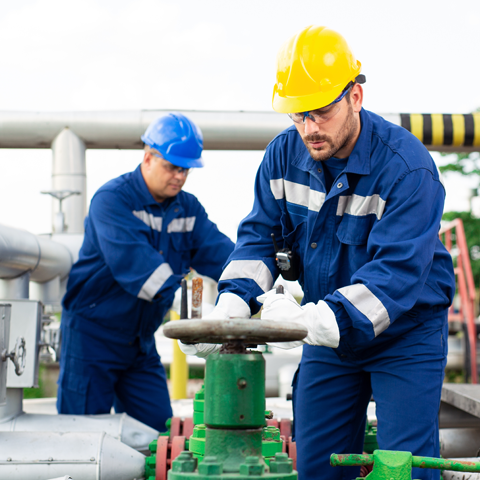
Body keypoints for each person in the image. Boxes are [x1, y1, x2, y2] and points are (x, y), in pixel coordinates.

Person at [182, 26, 455, 479]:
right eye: (298, 115)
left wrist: (311, 322)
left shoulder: (408, 169)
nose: (309, 128)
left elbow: (396, 276)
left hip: (406, 334)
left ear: (355, 96)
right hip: (330, 336)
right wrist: (232, 303)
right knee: (316, 467)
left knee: (403, 467)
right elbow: (258, 238)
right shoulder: (282, 156)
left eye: (322, 112)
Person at [57, 112, 235, 432]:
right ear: (148, 157)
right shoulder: (112, 201)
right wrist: (194, 308)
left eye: (186, 169)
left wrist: (256, 284)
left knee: (158, 435)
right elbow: (139, 268)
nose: (180, 176)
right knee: (82, 437)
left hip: (139, 344)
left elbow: (222, 255)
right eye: (172, 167)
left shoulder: (188, 209)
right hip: (92, 340)